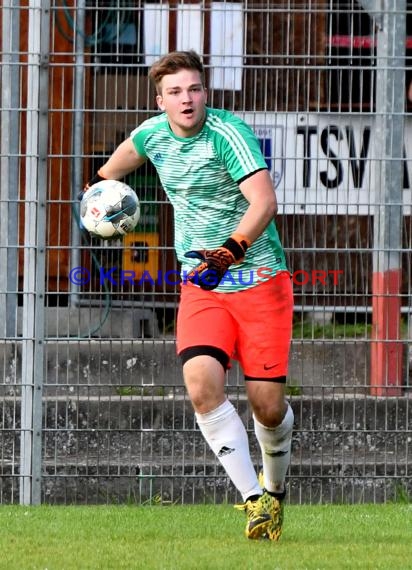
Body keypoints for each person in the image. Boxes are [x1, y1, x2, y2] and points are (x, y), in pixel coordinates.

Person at [82, 50, 294, 541]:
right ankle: (253, 502)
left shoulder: (228, 134)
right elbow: (110, 174)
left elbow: (264, 200)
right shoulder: (152, 134)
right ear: (161, 100)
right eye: (175, 92)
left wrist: (229, 251)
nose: (187, 99)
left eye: (194, 89)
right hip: (202, 285)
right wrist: (98, 201)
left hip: (260, 278)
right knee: (201, 385)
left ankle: (275, 489)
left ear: (205, 93)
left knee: (267, 408)